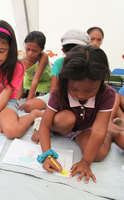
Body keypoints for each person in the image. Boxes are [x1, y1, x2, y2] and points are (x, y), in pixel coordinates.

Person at [38, 45, 115, 184]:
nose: (81, 95)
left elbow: (98, 131)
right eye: (74, 89)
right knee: (66, 119)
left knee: (98, 155)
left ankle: (110, 132)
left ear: (101, 81)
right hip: (63, 124)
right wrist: (47, 155)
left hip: (83, 129)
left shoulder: (107, 94)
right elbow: (45, 124)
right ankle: (37, 116)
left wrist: (86, 161)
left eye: (90, 90)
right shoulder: (58, 92)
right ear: (66, 79)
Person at [19, 29, 90, 115]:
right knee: (28, 106)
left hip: (80, 98)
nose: (30, 53)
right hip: (59, 96)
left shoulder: (90, 65)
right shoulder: (59, 63)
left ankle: (42, 114)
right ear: (63, 50)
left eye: (77, 50)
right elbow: (53, 90)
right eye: (68, 49)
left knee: (66, 118)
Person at [19, 31, 51, 102]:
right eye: (28, 49)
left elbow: (36, 79)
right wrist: (17, 99)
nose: (30, 53)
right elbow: (20, 82)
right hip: (28, 84)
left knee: (38, 98)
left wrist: (28, 100)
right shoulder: (22, 61)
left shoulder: (43, 57)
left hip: (43, 84)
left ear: (41, 50)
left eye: (34, 51)